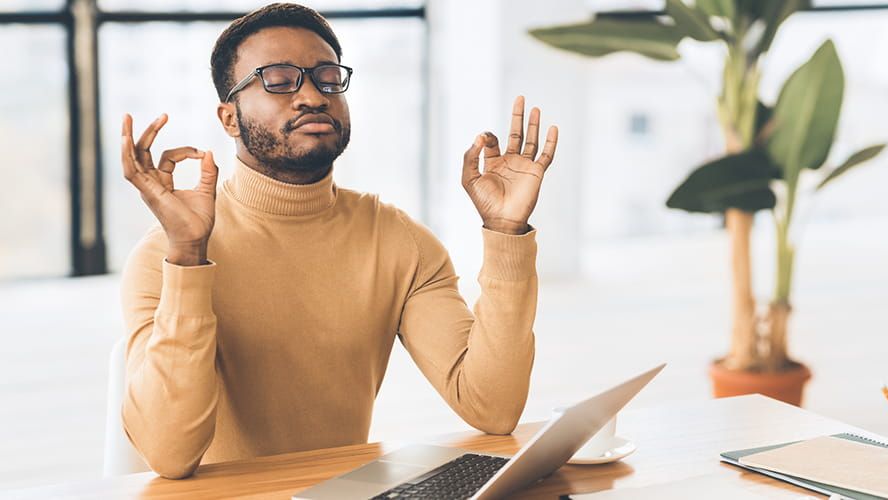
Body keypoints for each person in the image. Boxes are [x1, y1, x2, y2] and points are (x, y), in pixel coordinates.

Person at [118, 2, 558, 479]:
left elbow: (492, 406)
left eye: (327, 77)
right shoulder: (164, 255)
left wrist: (506, 234)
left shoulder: (398, 240)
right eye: (279, 80)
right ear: (229, 118)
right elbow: (168, 454)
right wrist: (187, 259)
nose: (312, 96)